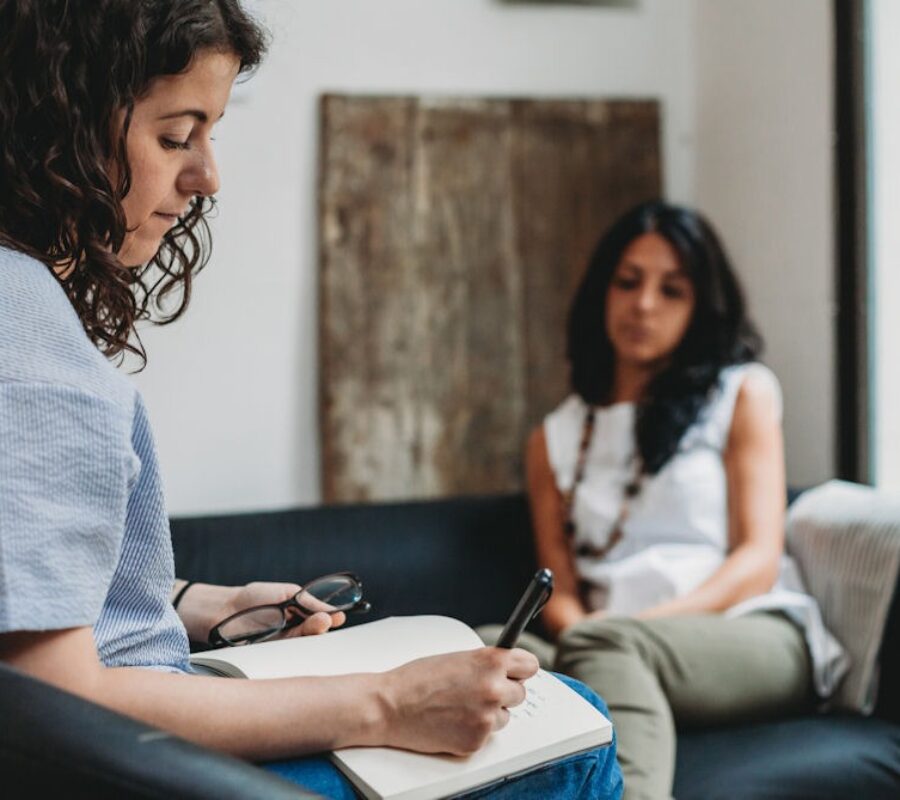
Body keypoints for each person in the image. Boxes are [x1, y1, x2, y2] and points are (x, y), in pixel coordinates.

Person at [0, 2, 622, 798]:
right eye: (173, 136)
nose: (206, 176)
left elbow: (33, 600)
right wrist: (386, 703)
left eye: (210, 134)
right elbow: (49, 702)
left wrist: (205, 604)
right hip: (139, 770)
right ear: (60, 126)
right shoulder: (36, 359)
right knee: (574, 726)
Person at [479, 200, 847, 800]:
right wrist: (589, 631)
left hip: (746, 633)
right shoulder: (555, 437)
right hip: (611, 644)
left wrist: (627, 629)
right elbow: (562, 589)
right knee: (483, 644)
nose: (644, 304)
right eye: (628, 283)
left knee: (605, 647)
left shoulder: (740, 394)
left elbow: (757, 558)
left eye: (671, 290)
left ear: (700, 307)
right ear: (602, 292)